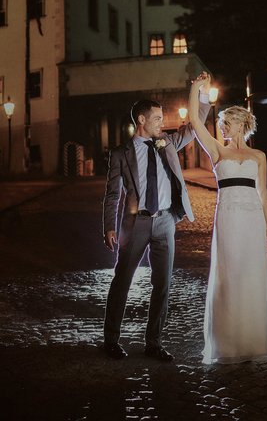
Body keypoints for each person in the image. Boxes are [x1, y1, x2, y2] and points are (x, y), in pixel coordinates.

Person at [188, 72, 267, 364]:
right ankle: (230, 342)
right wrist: (196, 88)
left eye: (227, 122)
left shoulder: (259, 156)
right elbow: (196, 123)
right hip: (228, 220)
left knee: (254, 275)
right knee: (231, 275)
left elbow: (263, 193)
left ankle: (256, 339)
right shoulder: (217, 150)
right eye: (222, 123)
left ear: (242, 124)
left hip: (253, 222)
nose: (223, 127)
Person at [102, 85, 210, 362]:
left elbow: (195, 124)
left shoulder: (168, 142)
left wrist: (203, 95)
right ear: (141, 120)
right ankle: (111, 340)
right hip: (135, 224)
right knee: (122, 281)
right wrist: (109, 227)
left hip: (165, 222)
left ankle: (154, 343)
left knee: (163, 284)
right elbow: (113, 194)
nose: (163, 123)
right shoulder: (120, 154)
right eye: (158, 119)